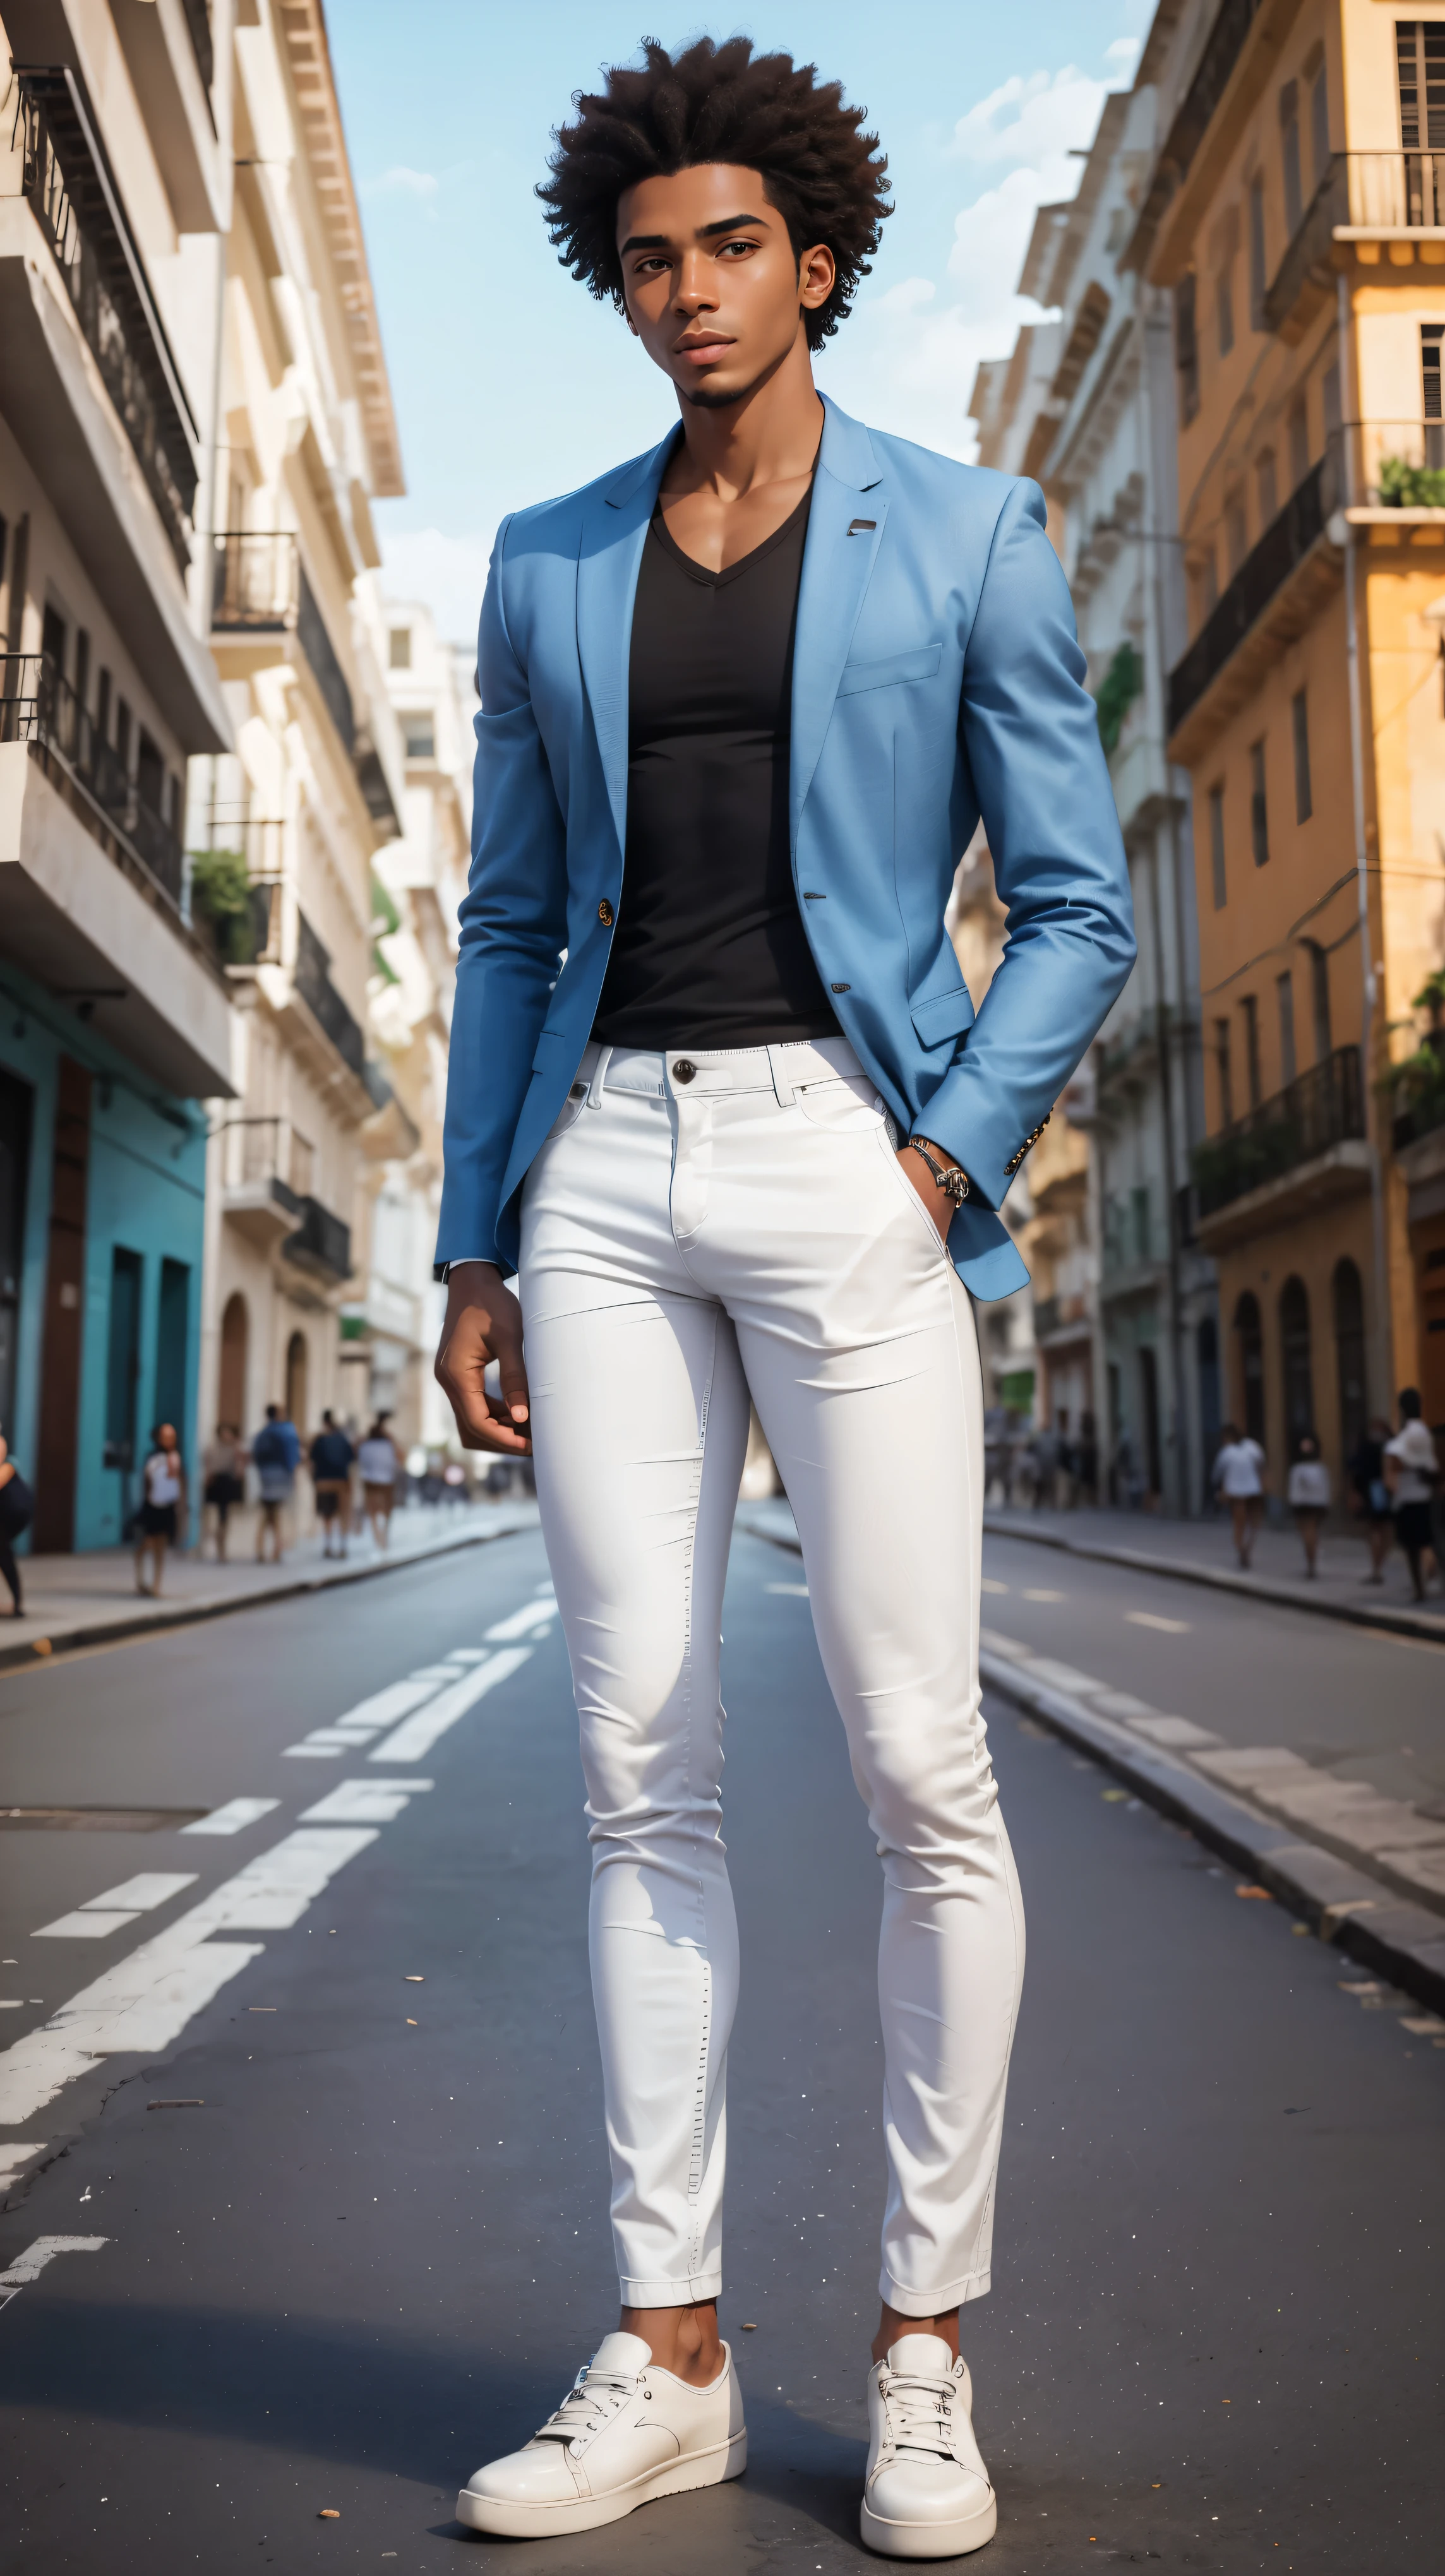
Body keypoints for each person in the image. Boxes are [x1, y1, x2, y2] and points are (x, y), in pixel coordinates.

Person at [431, 37, 1134, 2560]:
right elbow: (510, 919)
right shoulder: (542, 560)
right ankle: (670, 2354)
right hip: (606, 1164)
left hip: (854, 1163)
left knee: (915, 1760)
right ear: (612, 292)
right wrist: (474, 1232)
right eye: (647, 258)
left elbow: (1072, 905)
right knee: (636, 1761)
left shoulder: (967, 534)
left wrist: (943, 1144)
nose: (690, 289)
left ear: (810, 259)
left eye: (730, 246)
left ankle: (921, 2347)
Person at [1384, 1386, 1440, 1601]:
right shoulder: (1424, 1431)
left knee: (1413, 1547)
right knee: (1425, 1541)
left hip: (1408, 1496)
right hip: (1423, 1493)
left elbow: (1396, 1460)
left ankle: (1420, 1587)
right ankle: (1428, 1580)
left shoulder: (1408, 1434)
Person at [135, 1422, 186, 1596]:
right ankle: (141, 1580)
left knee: (161, 1547)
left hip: (167, 1506)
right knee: (146, 1543)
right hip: (152, 1506)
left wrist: (181, 1506)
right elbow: (147, 1482)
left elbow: (179, 1482)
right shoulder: (153, 1459)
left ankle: (156, 1584)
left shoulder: (175, 1457)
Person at [250, 1403, 299, 1563]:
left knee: (267, 1514)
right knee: (277, 1514)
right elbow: (291, 1456)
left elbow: (256, 1456)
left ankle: (261, 1549)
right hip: (281, 1476)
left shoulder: (262, 1434)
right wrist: (293, 1475)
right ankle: (277, 1549)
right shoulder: (285, 1432)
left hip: (266, 1476)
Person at [1347, 1416, 1393, 1586]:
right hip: (1379, 1490)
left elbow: (1353, 1469)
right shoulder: (1387, 1446)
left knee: (1377, 1529)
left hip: (1377, 1490)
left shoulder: (1369, 1446)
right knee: (1379, 1528)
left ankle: (1377, 1567)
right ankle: (1377, 1567)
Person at [1212, 1422, 1266, 1567]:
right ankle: (1247, 1546)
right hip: (1254, 1490)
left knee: (1239, 1524)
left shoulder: (1226, 1452)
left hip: (1235, 1493)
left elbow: (1217, 1473)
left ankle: (1241, 1548)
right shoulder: (1252, 1446)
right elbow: (1261, 1463)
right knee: (1254, 1523)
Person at [309, 1410, 355, 1558]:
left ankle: (328, 1545)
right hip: (341, 1480)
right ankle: (343, 1546)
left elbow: (312, 1461)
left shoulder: (319, 1440)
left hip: (324, 1481)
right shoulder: (342, 1439)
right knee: (343, 1514)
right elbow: (351, 1459)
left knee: (327, 1514)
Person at [1286, 1433, 1331, 1579]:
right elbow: (1326, 1488)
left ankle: (1311, 1563)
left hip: (1304, 1504)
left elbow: (1294, 1490)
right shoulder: (1320, 1468)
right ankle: (1312, 1562)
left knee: (1308, 1533)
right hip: (1317, 1503)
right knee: (1312, 1533)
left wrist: (1293, 1503)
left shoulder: (1298, 1469)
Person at [201, 1423, 246, 1562]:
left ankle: (222, 1550)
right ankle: (217, 1548)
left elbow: (239, 1469)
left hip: (227, 1483)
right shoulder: (212, 1448)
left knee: (224, 1517)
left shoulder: (235, 1449)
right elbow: (209, 1466)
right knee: (216, 1516)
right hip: (216, 1483)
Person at [0, 1431, 33, 1617]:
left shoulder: (9, 1465)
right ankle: (17, 1603)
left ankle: (17, 1603)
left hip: (14, 1513)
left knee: (3, 1553)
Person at [357, 1414, 399, 1549]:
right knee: (387, 1511)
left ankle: (378, 1537)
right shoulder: (389, 1445)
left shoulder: (365, 1446)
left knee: (373, 1512)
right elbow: (397, 1461)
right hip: (387, 1482)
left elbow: (362, 1463)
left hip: (371, 1481)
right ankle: (384, 1537)